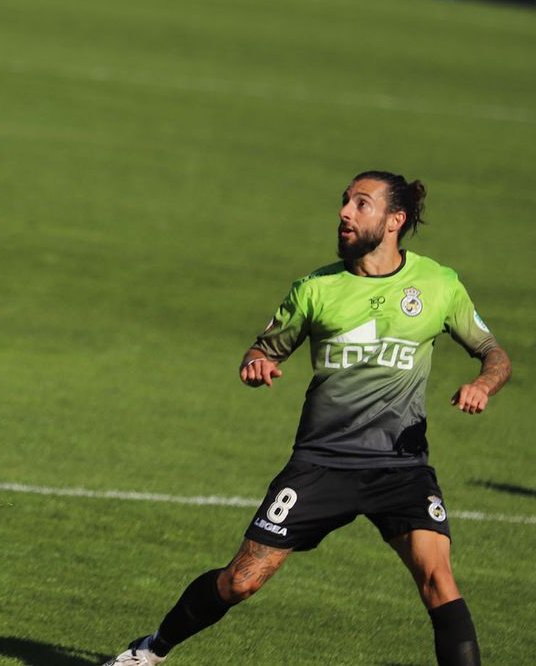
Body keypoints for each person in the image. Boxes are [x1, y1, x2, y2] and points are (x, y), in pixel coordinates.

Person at [105, 171, 512, 666]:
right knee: (241, 580)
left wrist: (482, 384)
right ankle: (150, 651)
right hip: (322, 464)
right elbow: (263, 347)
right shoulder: (315, 290)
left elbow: (494, 355)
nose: (344, 212)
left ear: (394, 221)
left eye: (361, 204)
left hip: (400, 467)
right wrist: (255, 362)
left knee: (438, 581)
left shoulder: (438, 285)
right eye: (345, 202)